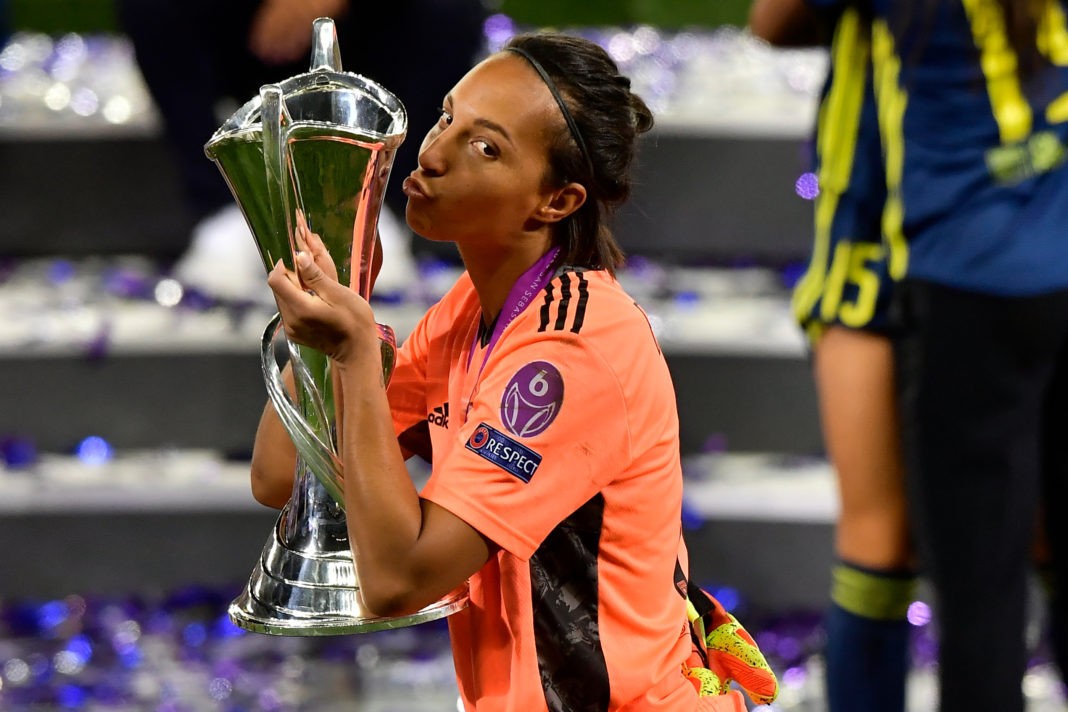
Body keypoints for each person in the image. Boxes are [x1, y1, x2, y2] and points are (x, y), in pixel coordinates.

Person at [248, 30, 778, 712]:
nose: (433, 154)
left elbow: (400, 581)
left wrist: (352, 355)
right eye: (446, 117)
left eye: (485, 146)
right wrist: (338, 291)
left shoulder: (571, 351)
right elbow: (281, 475)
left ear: (556, 202)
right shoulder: (469, 311)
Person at [776, 1, 1068, 710]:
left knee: (948, 560)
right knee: (891, 545)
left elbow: (772, 20)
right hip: (895, 247)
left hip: (938, 258)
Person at [749, 3, 917, 711]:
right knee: (880, 543)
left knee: (884, 544)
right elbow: (776, 19)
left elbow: (775, 19)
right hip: (892, 223)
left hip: (912, 227)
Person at [116, 0, 488, 302]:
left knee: (448, 9)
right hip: (243, 34)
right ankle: (223, 212)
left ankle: (383, 208)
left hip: (365, 33)